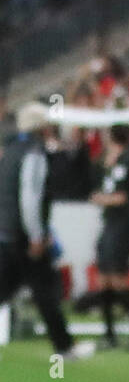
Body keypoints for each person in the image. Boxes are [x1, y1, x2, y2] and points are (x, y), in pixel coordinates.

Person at [0, 104, 91, 360]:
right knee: (46, 291)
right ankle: (64, 348)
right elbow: (30, 198)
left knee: (13, 288)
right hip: (24, 237)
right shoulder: (34, 154)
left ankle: (64, 346)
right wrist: (37, 235)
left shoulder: (10, 151)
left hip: (7, 232)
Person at [77, 126, 129, 351]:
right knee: (103, 279)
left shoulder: (127, 163)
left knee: (118, 278)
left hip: (124, 225)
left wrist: (103, 199)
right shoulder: (103, 163)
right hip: (109, 224)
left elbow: (124, 196)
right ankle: (110, 333)